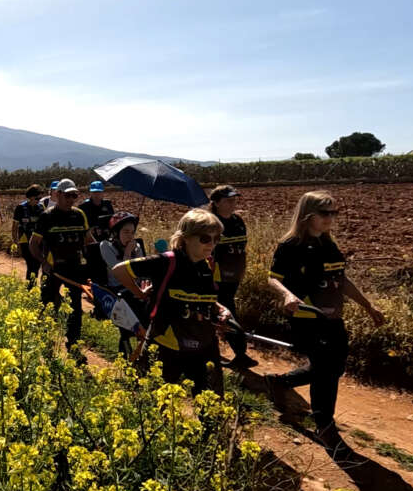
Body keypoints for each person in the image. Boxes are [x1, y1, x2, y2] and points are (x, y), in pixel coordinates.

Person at [265, 191, 384, 440]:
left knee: (335, 367)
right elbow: (273, 279)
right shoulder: (290, 246)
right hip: (307, 318)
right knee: (325, 371)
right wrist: (287, 295)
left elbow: (342, 281)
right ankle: (324, 424)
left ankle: (281, 382)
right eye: (324, 213)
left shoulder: (329, 245)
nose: (330, 217)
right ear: (308, 215)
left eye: (333, 212)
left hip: (333, 317)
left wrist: (368, 306)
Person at [112, 208, 232, 395]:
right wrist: (140, 293)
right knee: (151, 402)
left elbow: (206, 300)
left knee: (213, 406)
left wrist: (222, 311)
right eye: (205, 239)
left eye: (217, 239)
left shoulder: (208, 266)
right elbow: (119, 270)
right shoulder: (167, 262)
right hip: (166, 346)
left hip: (204, 345)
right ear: (186, 238)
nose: (212, 244)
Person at [29, 179, 94, 355]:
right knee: (47, 304)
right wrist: (43, 262)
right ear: (57, 195)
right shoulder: (47, 217)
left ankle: (73, 345)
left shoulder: (79, 215)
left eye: (74, 196)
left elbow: (88, 240)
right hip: (54, 269)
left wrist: (97, 259)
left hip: (75, 268)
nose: (71, 199)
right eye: (67, 196)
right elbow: (34, 243)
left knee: (75, 308)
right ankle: (43, 340)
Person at [208, 185, 257, 368]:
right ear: (216, 203)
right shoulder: (211, 223)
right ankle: (240, 353)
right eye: (228, 200)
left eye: (234, 200)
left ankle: (214, 349)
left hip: (234, 275)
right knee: (226, 311)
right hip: (216, 277)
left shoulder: (237, 221)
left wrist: (242, 269)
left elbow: (241, 248)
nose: (233, 203)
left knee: (219, 313)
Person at [98, 212, 147, 358]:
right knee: (129, 322)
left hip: (136, 288)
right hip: (118, 289)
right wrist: (127, 253)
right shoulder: (106, 246)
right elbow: (120, 272)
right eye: (125, 232)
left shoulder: (136, 246)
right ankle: (126, 355)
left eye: (132, 232)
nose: (130, 236)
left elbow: (142, 270)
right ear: (115, 233)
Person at [11, 184, 45, 287]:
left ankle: (32, 287)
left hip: (38, 241)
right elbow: (14, 227)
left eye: (40, 198)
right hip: (24, 240)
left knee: (37, 265)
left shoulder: (41, 207)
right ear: (30, 197)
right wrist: (16, 243)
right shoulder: (21, 208)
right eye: (37, 198)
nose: (38, 200)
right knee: (31, 264)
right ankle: (30, 288)